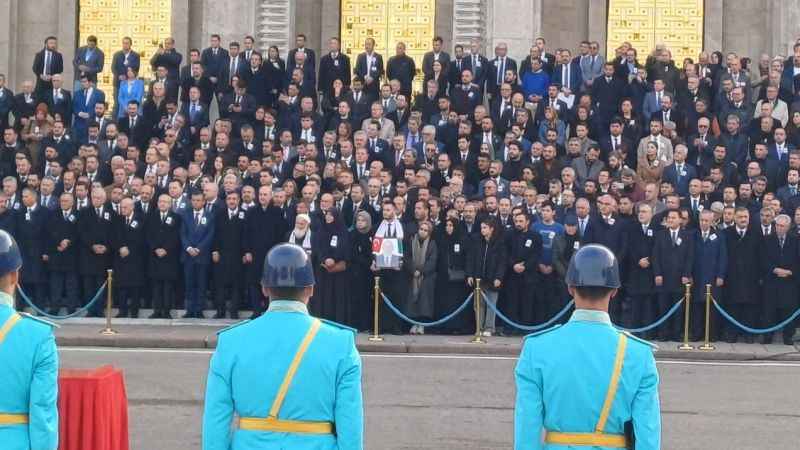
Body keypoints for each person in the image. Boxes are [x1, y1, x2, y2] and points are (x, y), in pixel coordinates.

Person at [202, 243, 363, 450]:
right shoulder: (341, 343)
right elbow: (350, 428)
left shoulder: (231, 341)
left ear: (264, 288)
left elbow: (216, 423)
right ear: (311, 289)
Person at [514, 244, 660, 450]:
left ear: (570, 288)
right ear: (615, 291)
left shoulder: (536, 348)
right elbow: (647, 435)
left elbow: (527, 430)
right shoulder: (638, 353)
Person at [466, 216, 507, 337]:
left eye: (485, 228)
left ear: (492, 229)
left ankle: (489, 327)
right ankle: (479, 327)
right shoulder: (476, 241)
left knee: (491, 304)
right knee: (478, 305)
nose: (482, 230)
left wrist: (499, 277)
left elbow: (502, 262)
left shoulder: (499, 243)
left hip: (492, 278)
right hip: (479, 278)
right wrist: (469, 275)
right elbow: (470, 258)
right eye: (481, 228)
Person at [404, 220, 437, 335]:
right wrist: (414, 270)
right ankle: (414, 323)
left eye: (425, 230)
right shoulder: (411, 241)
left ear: (429, 232)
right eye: (421, 229)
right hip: (413, 277)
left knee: (424, 303)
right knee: (413, 301)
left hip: (426, 277)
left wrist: (421, 271)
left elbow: (432, 261)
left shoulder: (432, 244)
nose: (422, 232)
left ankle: (422, 324)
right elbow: (407, 258)